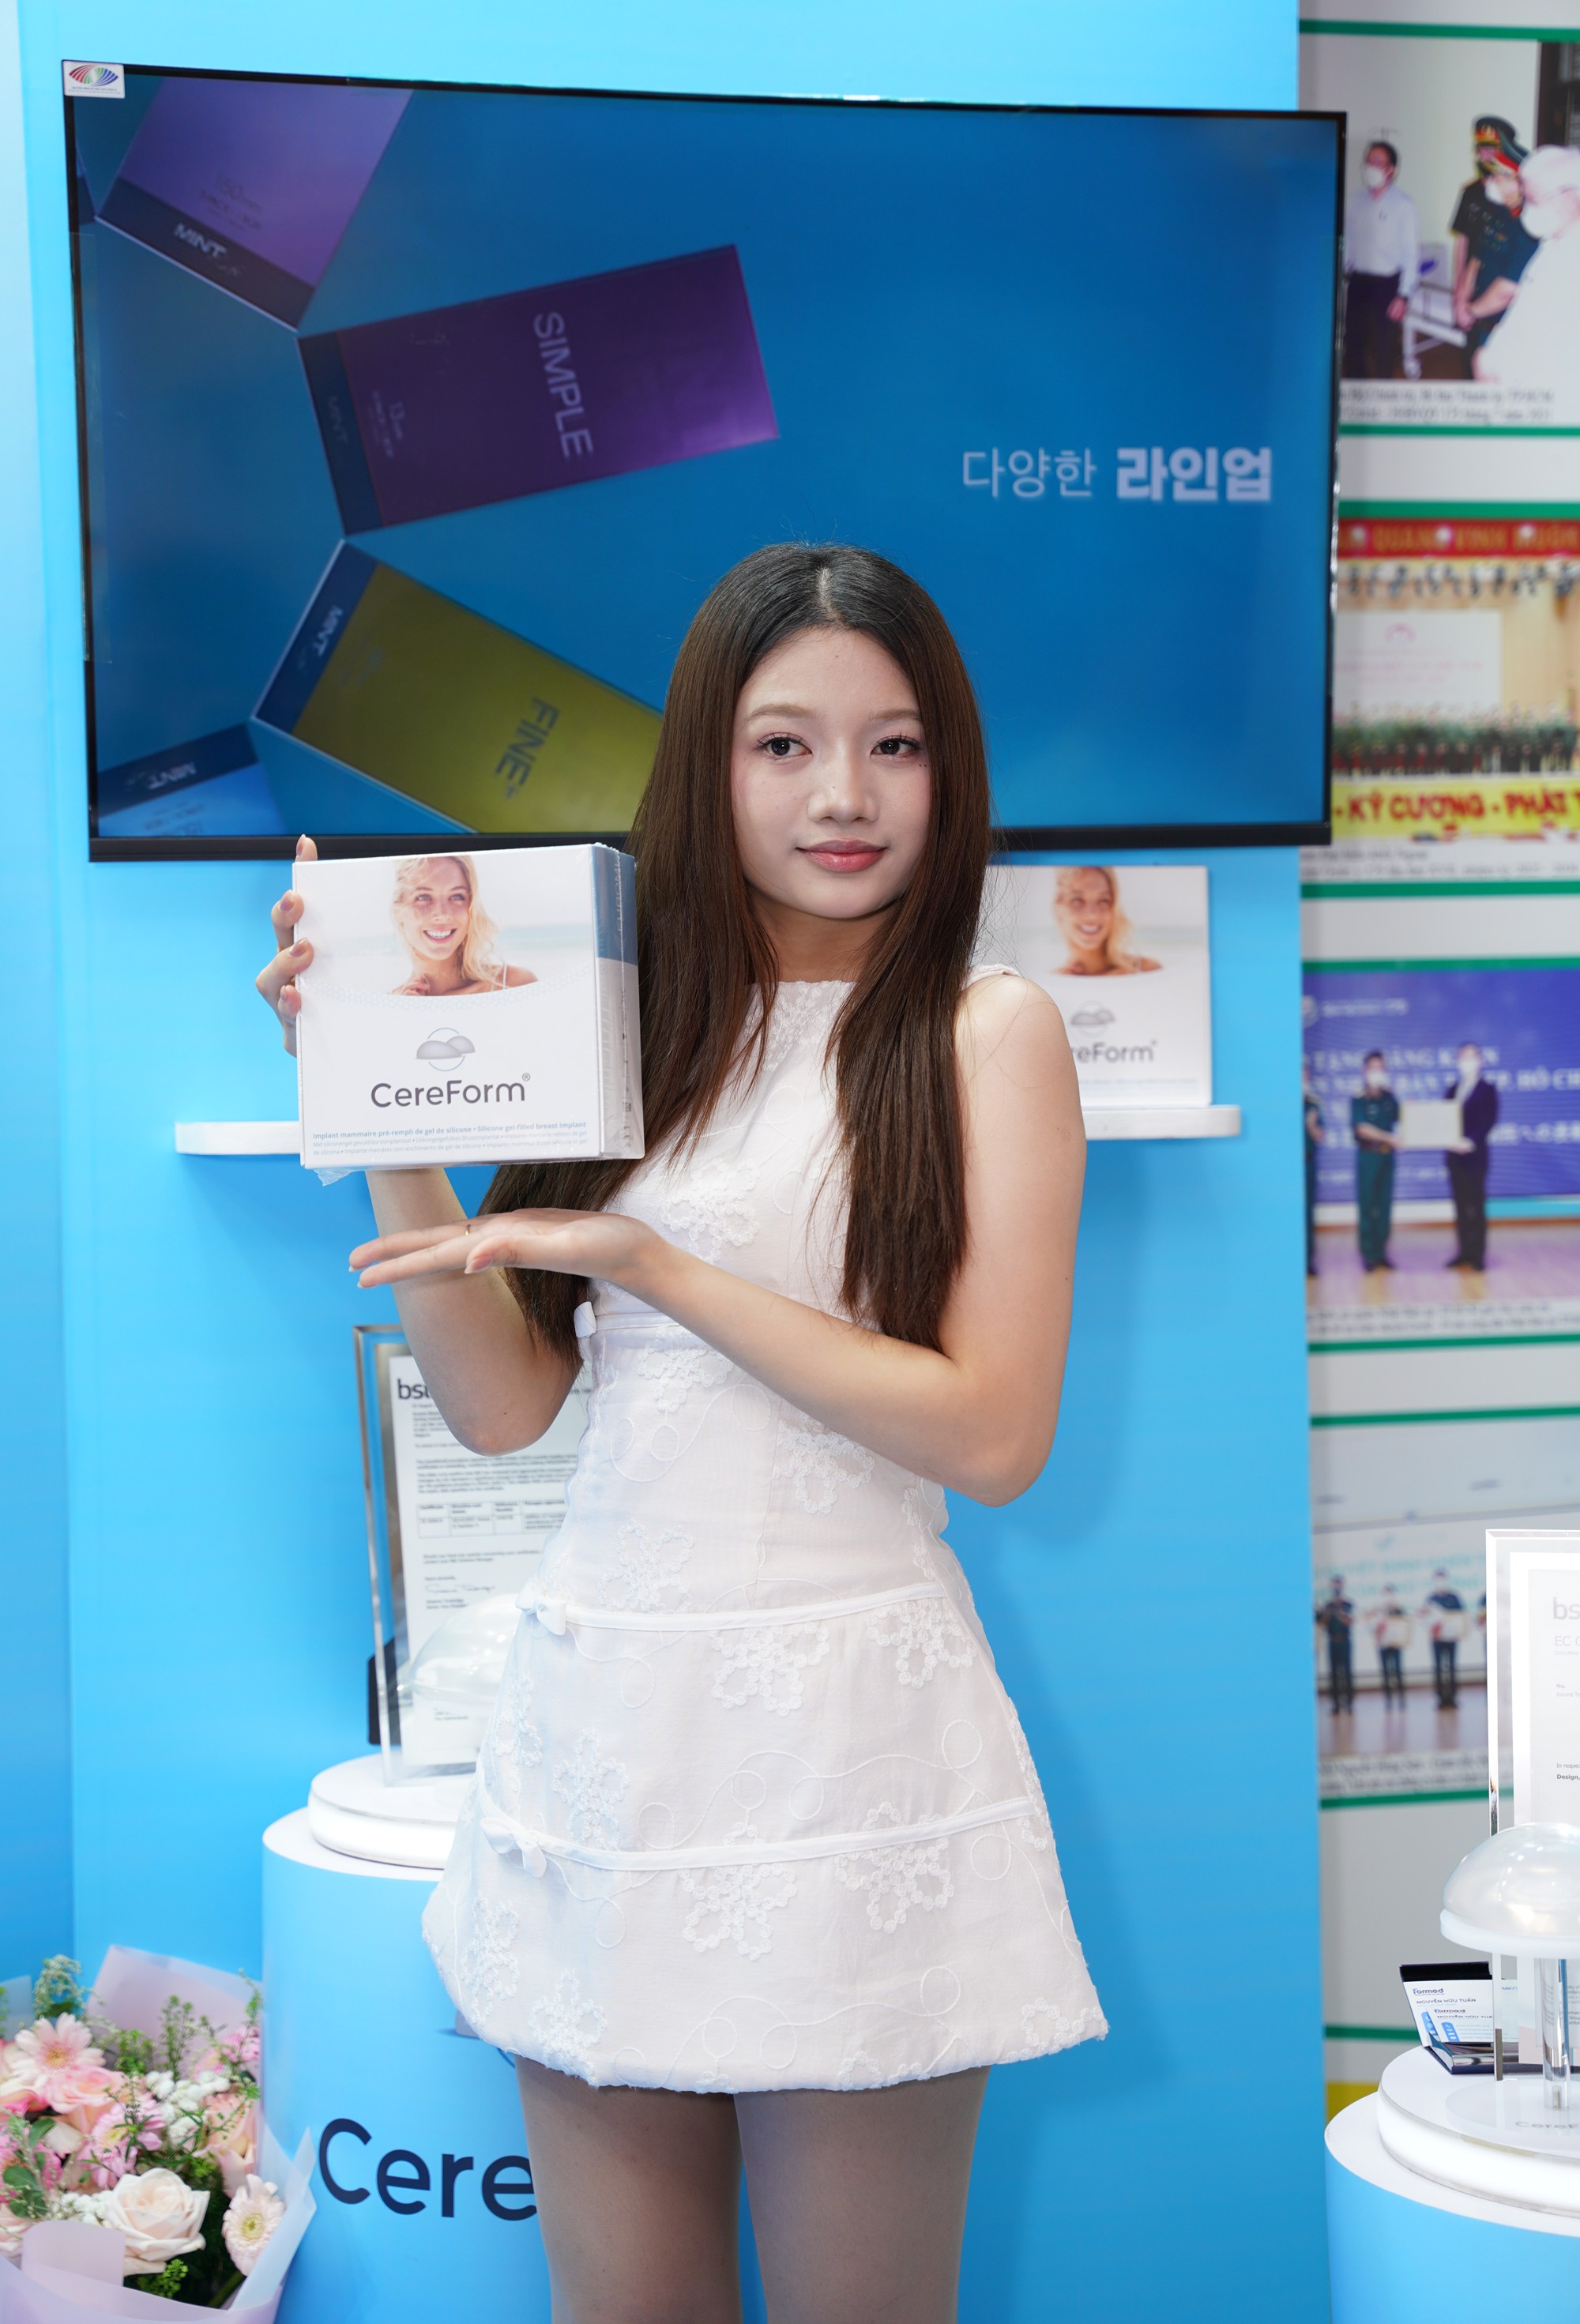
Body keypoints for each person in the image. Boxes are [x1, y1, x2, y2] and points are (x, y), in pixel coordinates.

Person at [257, 543, 1104, 2324]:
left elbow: (993, 1431)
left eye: (892, 744)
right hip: (608, 1738)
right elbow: (503, 1406)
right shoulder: (622, 1019)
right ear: (704, 763)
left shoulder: (986, 1030)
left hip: (850, 1749)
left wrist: (661, 1267)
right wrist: (377, 1099)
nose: (843, 794)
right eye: (783, 744)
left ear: (948, 766)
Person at [1477, 146, 1580, 411]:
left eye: (1534, 201)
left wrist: (1500, 381)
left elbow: (1554, 360)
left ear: (1568, 198)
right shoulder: (1551, 243)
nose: (1526, 210)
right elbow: (1524, 312)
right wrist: (1489, 354)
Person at [1450, 118, 1539, 365]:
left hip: (1505, 325)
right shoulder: (1494, 210)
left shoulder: (1530, 225)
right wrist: (1461, 298)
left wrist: (1470, 311)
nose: (1493, 180)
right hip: (1477, 315)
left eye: (1501, 175)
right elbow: (1474, 255)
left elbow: (1507, 290)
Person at [389, 853, 537, 996]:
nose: (443, 915)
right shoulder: (391, 1005)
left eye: (456, 896)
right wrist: (407, 1012)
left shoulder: (516, 986)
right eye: (423, 897)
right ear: (398, 909)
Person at [1343, 140, 1420, 380]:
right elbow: (1349, 241)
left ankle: (1381, 397)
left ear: (1391, 170)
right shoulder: (1355, 201)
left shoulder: (1404, 206)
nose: (1370, 167)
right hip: (1358, 282)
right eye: (1368, 161)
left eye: (1377, 162)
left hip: (1387, 286)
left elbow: (1410, 255)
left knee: (1384, 352)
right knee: (1353, 348)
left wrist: (1403, 296)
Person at [1444, 1040, 1498, 1272]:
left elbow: (1489, 1121)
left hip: (1475, 1157)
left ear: (1480, 1061)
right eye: (1462, 1057)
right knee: (1460, 1206)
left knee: (1476, 1206)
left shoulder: (1487, 1089)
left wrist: (1470, 1141)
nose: (1467, 1061)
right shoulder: (1452, 1089)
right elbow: (1442, 1120)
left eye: (1471, 1056)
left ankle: (1478, 1255)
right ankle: (1463, 1252)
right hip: (1454, 1157)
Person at [1051, 864, 1160, 976]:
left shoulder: (1145, 970)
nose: (1092, 915)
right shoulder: (1054, 981)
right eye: (1077, 900)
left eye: (1103, 900)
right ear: (1058, 908)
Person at [1350, 1051, 1401, 1273]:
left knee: (1384, 1205)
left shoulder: (1390, 1098)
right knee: (1368, 1205)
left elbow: (1404, 1118)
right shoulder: (1359, 1098)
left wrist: (1413, 1113)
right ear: (1365, 1071)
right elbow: (1362, 1128)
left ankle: (1382, 1253)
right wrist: (1388, 1137)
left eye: (1381, 1068)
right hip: (1368, 1157)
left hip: (1387, 1157)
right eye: (1373, 1068)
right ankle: (1368, 1254)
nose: (1377, 1073)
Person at [1422, 1570, 1468, 1708]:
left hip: (1451, 1639)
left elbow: (1462, 1616)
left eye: (1443, 1579)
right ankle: (1440, 1698)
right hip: (1437, 1640)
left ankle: (1452, 1697)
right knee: (1438, 1668)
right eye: (1438, 1580)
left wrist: (1458, 1631)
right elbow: (1425, 1619)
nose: (1440, 1582)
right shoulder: (1431, 1598)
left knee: (1452, 1667)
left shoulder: (1454, 1597)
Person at [1318, 1578, 1356, 1714]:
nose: (1336, 1588)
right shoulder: (1328, 1605)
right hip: (1332, 1641)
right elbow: (1323, 1624)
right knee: (1333, 1673)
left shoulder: (1348, 1604)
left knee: (1347, 1672)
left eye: (1339, 1586)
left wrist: (1340, 1612)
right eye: (1334, 1586)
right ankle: (1336, 1704)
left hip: (1345, 1640)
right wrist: (1326, 1612)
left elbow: (1350, 1621)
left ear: (1343, 1586)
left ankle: (1349, 1703)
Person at [1371, 1594, 1412, 1708]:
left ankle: (1401, 1698)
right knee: (1385, 1673)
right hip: (1383, 1646)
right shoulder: (1378, 1613)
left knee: (1398, 1672)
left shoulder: (1398, 1612)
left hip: (1396, 1645)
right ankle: (1388, 1699)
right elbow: (1372, 1626)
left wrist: (1397, 1608)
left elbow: (1406, 1622)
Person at [1304, 1059, 1324, 1278]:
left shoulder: (1314, 1104)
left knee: (1308, 1214)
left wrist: (1311, 1125)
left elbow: (1320, 1136)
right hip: (1289, 1169)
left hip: (1308, 1163)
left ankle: (1308, 1259)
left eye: (1305, 1075)